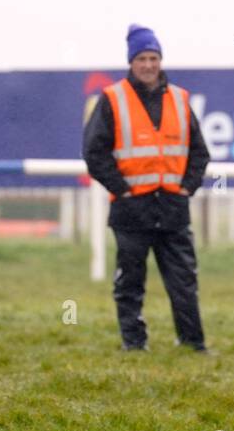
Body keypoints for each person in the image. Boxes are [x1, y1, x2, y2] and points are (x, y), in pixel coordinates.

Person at [83, 25, 211, 352]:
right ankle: (134, 345)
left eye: (154, 57)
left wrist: (187, 188)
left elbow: (199, 152)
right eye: (142, 58)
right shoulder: (112, 99)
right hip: (131, 210)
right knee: (129, 283)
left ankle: (193, 344)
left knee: (184, 282)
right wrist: (121, 188)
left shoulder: (181, 99)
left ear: (161, 60)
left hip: (172, 209)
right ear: (131, 62)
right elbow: (94, 152)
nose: (148, 65)